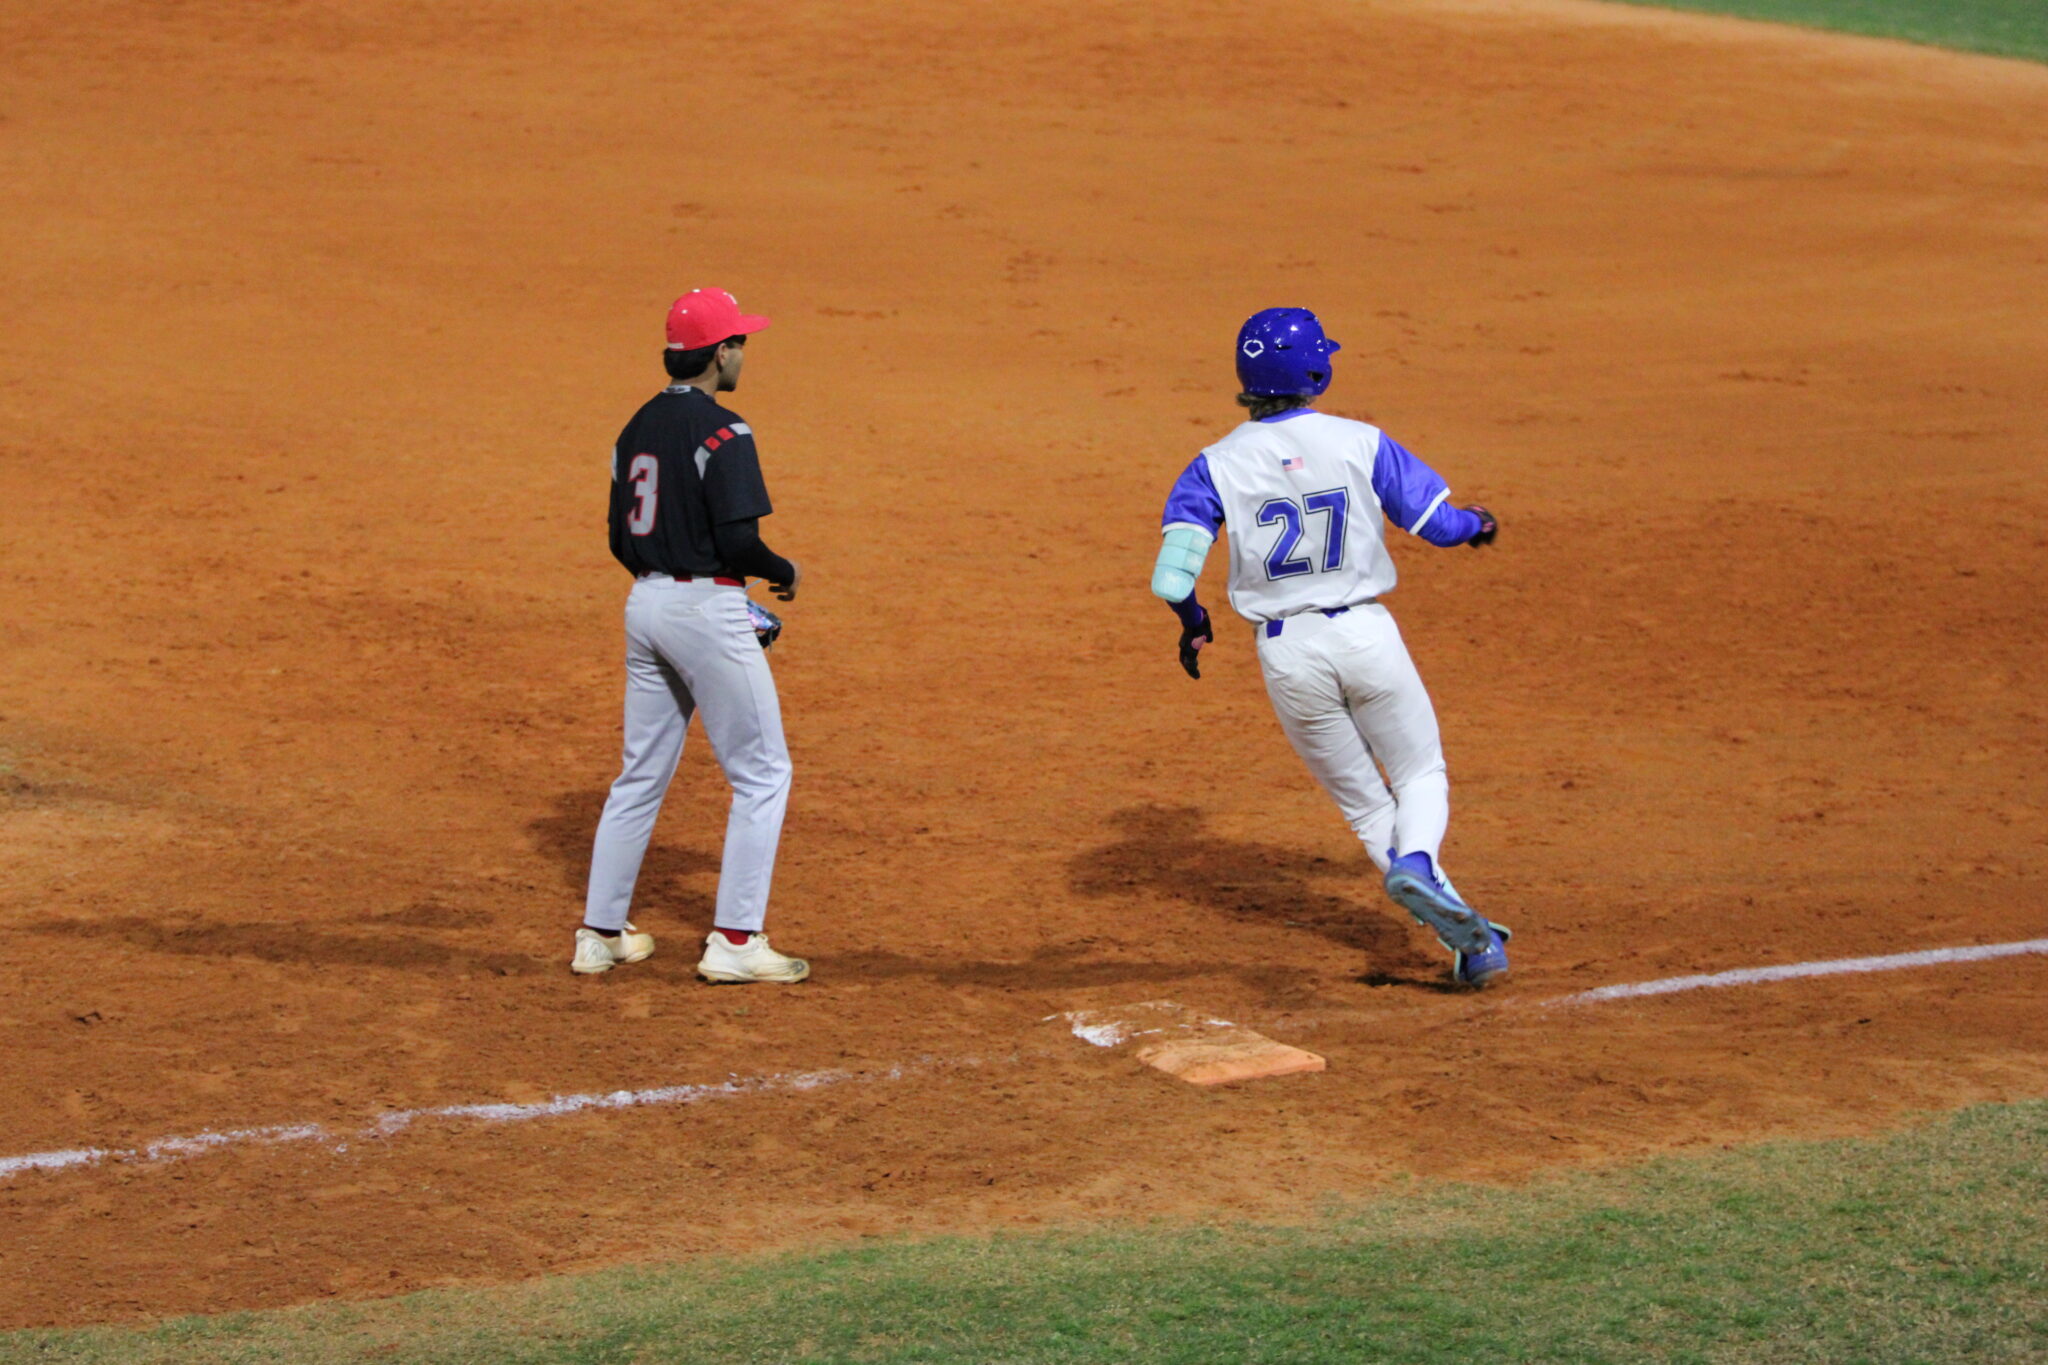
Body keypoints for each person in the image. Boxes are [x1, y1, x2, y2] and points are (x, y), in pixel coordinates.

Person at [1149, 307, 1512, 986]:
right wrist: (1479, 525)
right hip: (1363, 632)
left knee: (1369, 807)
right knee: (1419, 774)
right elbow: (1438, 525)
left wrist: (1193, 620)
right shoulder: (1360, 441)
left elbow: (1172, 574)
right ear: (1318, 370)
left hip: (1286, 653)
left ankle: (1471, 938)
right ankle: (1418, 865)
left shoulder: (1211, 466)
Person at [572, 287, 810, 984]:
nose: (743, 353)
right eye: (739, 342)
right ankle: (736, 940)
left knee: (639, 773)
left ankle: (600, 934)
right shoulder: (725, 433)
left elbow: (621, 535)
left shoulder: (634, 428)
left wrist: (672, 585)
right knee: (764, 772)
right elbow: (739, 538)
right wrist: (780, 571)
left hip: (644, 604)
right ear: (719, 353)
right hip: (706, 610)